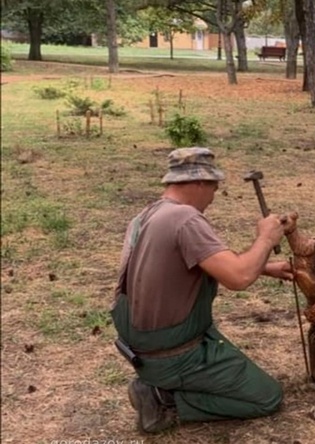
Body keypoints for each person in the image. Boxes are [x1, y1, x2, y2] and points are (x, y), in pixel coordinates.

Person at [111, 147, 293, 434]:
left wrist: (266, 267)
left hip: (142, 348)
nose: (212, 198)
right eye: (214, 189)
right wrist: (266, 239)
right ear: (200, 183)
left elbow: (200, 261)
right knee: (267, 397)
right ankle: (163, 397)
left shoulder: (147, 216)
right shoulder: (186, 219)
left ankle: (161, 384)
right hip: (175, 353)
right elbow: (239, 277)